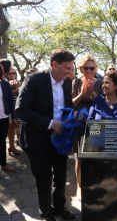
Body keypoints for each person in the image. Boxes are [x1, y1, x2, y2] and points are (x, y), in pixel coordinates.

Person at [15, 48, 76, 221]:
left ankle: (59, 207)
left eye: (72, 68)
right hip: (38, 139)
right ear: (54, 65)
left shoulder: (67, 82)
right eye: (67, 68)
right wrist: (50, 123)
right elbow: (21, 110)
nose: (70, 72)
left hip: (60, 138)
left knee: (61, 176)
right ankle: (46, 213)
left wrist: (72, 117)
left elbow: (66, 106)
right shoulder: (33, 80)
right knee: (44, 179)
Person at [72, 54, 103, 201]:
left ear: (95, 68)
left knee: (95, 153)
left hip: (95, 121)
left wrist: (91, 94)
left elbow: (102, 104)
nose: (89, 71)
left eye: (92, 68)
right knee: (80, 155)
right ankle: (79, 186)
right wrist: (81, 94)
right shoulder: (77, 81)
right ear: (81, 68)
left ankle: (95, 183)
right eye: (86, 68)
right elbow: (71, 103)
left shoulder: (101, 82)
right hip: (79, 121)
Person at [0, 63, 17, 171]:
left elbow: (11, 101)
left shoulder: (5, 84)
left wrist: (14, 116)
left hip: (3, 117)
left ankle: (3, 164)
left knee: (2, 141)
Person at [7, 67, 21, 155]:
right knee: (11, 127)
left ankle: (18, 142)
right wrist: (16, 90)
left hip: (18, 106)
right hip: (8, 108)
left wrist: (19, 88)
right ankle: (11, 146)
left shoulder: (19, 82)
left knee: (18, 126)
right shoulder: (5, 83)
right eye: (10, 73)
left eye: (14, 73)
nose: (12, 75)